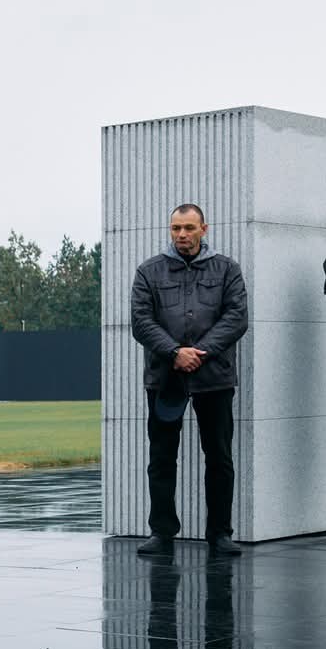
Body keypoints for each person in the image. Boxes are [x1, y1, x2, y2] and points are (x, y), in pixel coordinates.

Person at [128, 202, 249, 557]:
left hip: (214, 377)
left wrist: (199, 352)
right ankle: (162, 533)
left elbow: (236, 317)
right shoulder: (149, 271)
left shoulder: (227, 269)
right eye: (176, 229)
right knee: (162, 458)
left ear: (204, 229)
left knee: (219, 457)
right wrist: (175, 353)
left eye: (189, 228)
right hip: (165, 378)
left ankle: (220, 534)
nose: (182, 235)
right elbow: (141, 321)